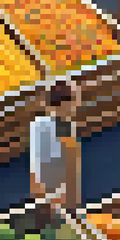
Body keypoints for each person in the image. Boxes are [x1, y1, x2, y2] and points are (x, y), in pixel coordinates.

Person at [30, 80, 81, 223]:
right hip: (59, 197)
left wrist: (38, 196)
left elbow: (35, 167)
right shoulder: (67, 128)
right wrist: (72, 208)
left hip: (44, 194)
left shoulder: (38, 125)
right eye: (75, 99)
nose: (78, 104)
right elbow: (71, 173)